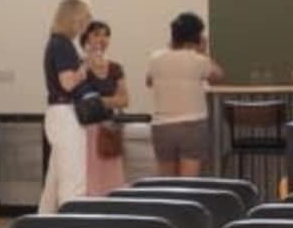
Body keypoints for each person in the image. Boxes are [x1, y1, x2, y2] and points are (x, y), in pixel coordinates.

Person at [144, 12, 222, 175]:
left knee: (166, 185)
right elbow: (218, 77)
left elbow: (149, 82)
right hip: (192, 125)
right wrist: (203, 52)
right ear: (197, 37)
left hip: (162, 126)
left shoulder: (155, 58)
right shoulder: (198, 60)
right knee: (187, 184)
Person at [36, 0, 94, 214]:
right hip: (65, 114)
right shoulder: (63, 44)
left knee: (55, 180)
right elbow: (67, 82)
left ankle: (42, 225)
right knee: (73, 179)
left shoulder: (56, 42)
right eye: (85, 17)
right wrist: (84, 68)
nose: (87, 23)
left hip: (57, 113)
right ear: (74, 18)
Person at [71, 20, 130, 195]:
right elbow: (77, 96)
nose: (102, 39)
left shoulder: (115, 68)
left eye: (106, 35)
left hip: (108, 128)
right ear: (86, 38)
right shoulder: (78, 65)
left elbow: (124, 100)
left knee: (112, 179)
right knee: (87, 177)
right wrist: (108, 100)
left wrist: (97, 101)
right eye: (96, 34)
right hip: (84, 129)